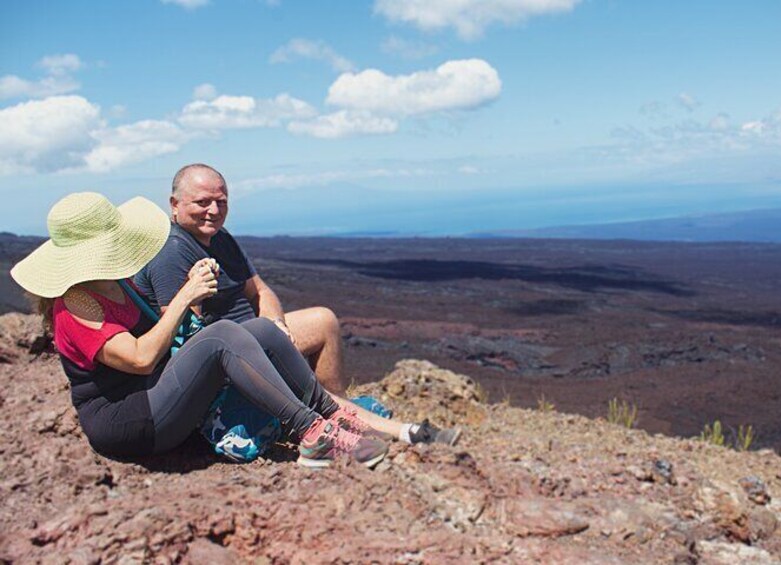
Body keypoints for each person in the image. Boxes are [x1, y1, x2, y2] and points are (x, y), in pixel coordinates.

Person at [10, 192, 388, 468]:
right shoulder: (75, 307)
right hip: (130, 421)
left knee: (261, 329)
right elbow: (141, 359)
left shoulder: (115, 283)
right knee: (222, 335)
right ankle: (313, 435)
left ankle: (328, 414)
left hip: (156, 398)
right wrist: (185, 295)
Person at [135, 163, 460, 446]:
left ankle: (342, 408)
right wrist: (259, 346)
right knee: (307, 391)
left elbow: (260, 291)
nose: (214, 211)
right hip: (229, 355)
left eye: (221, 202)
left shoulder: (221, 240)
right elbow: (186, 338)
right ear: (175, 205)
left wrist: (276, 326)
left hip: (257, 336)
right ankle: (394, 431)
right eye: (202, 202)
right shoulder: (173, 252)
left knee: (323, 320)